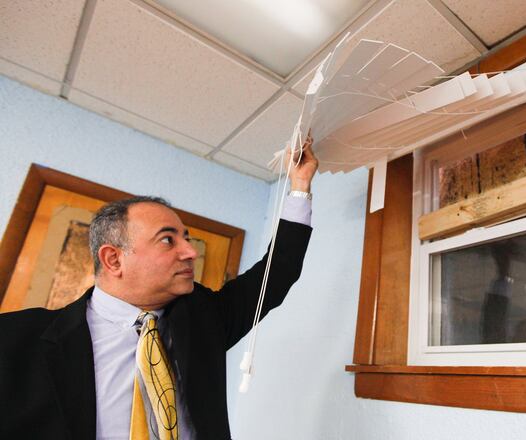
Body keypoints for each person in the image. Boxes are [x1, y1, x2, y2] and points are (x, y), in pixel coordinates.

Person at [0, 141, 318, 439]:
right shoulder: (14, 337)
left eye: (187, 238)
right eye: (168, 239)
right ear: (113, 259)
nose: (190, 252)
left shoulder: (204, 319)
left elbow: (276, 276)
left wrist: (300, 187)